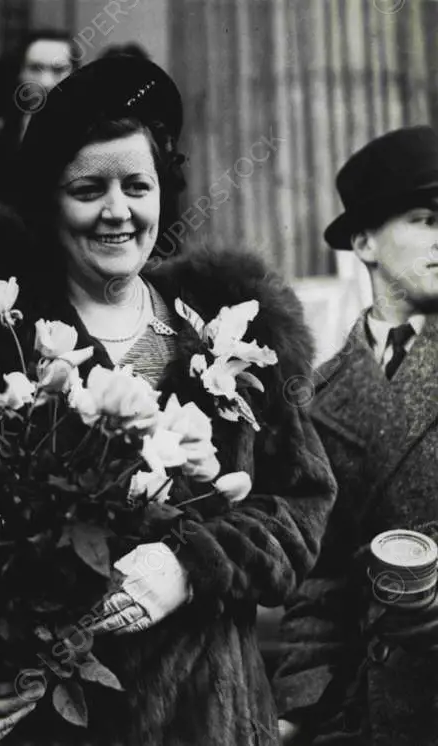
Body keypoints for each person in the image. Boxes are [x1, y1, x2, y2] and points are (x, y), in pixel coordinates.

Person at [0, 54, 337, 745]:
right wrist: (13, 662)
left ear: (163, 194)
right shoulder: (4, 344)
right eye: (89, 188)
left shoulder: (231, 326)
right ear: (51, 200)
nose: (117, 212)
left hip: (209, 715)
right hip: (61, 721)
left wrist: (191, 566)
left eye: (136, 186)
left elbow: (302, 505)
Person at [273, 126, 438, 746]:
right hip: (367, 713)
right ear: (364, 240)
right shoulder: (316, 396)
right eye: (426, 219)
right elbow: (318, 582)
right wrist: (300, 707)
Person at [0, 30, 79, 204]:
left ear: (75, 75)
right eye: (35, 69)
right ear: (20, 73)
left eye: (58, 70)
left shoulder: (92, 134)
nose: (46, 82)